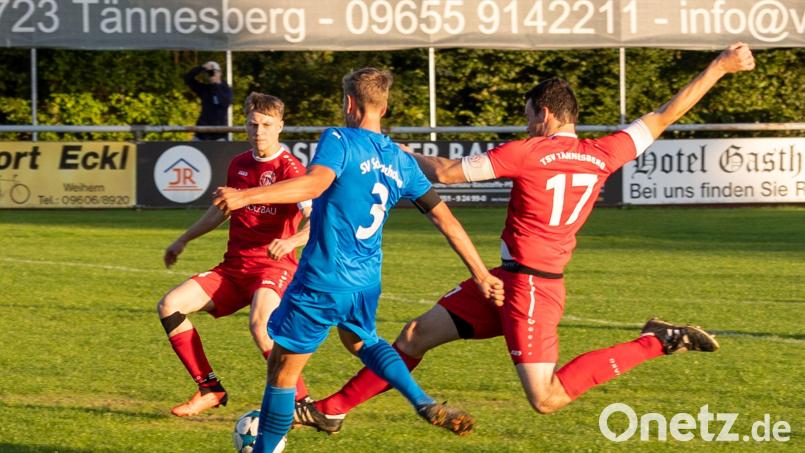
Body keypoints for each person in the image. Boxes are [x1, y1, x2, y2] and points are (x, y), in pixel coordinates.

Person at [291, 43, 756, 433]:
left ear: (545, 114)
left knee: (545, 398)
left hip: (532, 289)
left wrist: (398, 152)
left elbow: (447, 172)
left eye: (529, 115)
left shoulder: (528, 152)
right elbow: (665, 114)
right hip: (507, 281)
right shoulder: (605, 151)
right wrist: (719, 66)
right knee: (414, 335)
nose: (527, 123)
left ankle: (658, 341)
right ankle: (331, 411)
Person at [213, 67, 504, 451]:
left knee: (282, 371)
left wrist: (246, 196)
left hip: (322, 279)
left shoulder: (340, 139)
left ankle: (265, 448)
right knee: (361, 341)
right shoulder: (401, 160)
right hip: (364, 282)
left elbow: (315, 183)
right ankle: (421, 400)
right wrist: (481, 274)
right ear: (383, 107)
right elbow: (445, 220)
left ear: (350, 103)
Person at [157, 92, 312, 417]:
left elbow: (316, 220)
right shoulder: (239, 164)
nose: (259, 131)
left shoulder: (292, 169)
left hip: (273, 267)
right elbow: (222, 210)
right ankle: (209, 388)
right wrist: (184, 239)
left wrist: (292, 242)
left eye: (266, 125)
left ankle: (300, 403)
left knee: (261, 327)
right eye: (253, 124)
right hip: (234, 268)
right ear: (245, 125)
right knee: (170, 305)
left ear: (280, 126)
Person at [184, 60, 233, 141]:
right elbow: (188, 79)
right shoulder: (205, 89)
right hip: (202, 132)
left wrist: (215, 85)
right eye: (209, 73)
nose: (211, 74)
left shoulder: (226, 89)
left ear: (220, 73)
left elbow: (224, 103)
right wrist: (201, 68)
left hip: (219, 133)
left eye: (213, 72)